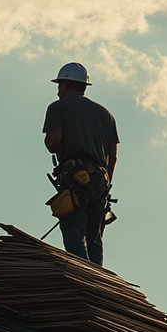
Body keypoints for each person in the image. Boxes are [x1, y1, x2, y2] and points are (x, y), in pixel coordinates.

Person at [42, 62, 118, 266]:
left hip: (76, 177)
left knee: (73, 230)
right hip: (100, 181)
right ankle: (97, 280)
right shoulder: (106, 115)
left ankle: (81, 276)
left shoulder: (57, 107)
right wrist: (106, 184)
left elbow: (53, 142)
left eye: (59, 87)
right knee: (94, 237)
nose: (58, 92)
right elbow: (113, 155)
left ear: (65, 85)